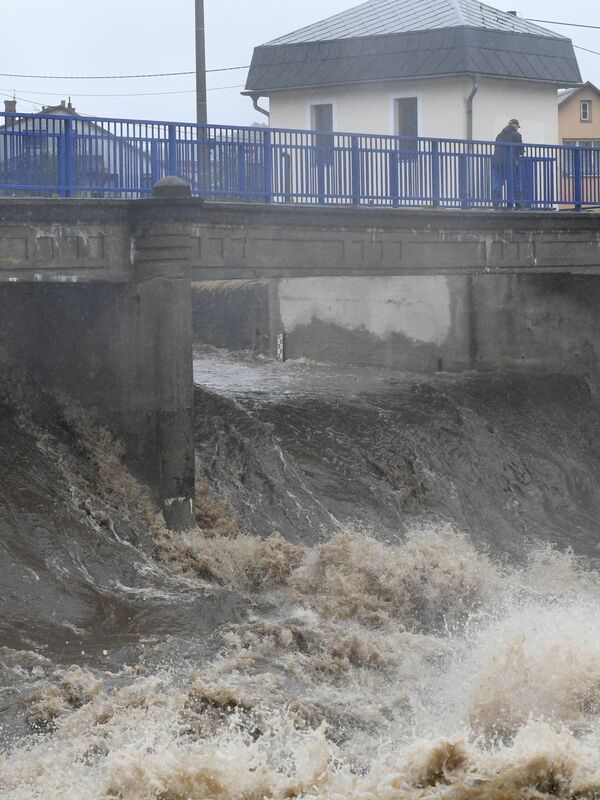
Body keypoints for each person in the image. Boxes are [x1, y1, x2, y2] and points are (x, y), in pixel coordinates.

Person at [491, 118, 524, 209]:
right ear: (515, 126)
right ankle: (516, 204)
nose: (517, 128)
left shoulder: (499, 135)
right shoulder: (516, 135)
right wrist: (516, 160)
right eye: (518, 127)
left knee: (497, 183)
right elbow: (521, 150)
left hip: (497, 162)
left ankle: (496, 204)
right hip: (510, 162)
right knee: (514, 183)